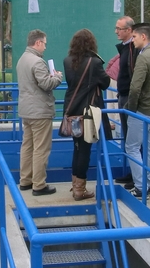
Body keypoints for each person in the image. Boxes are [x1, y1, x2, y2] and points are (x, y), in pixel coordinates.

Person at [63, 29, 110, 201]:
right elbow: (105, 83)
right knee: (84, 150)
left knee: (76, 148)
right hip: (87, 113)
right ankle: (79, 190)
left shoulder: (67, 61)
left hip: (71, 111)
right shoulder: (95, 62)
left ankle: (75, 183)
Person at [16, 29, 62, 196]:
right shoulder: (37, 62)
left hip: (26, 111)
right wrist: (57, 77)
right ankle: (39, 184)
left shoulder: (22, 59)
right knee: (41, 149)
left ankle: (25, 180)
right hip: (40, 111)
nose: (45, 47)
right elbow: (46, 84)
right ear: (38, 43)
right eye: (44, 44)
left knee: (27, 146)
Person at [125, 23, 150, 199]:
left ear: (143, 37)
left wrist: (131, 109)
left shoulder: (144, 57)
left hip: (141, 110)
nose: (132, 40)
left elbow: (135, 88)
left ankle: (141, 187)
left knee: (132, 147)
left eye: (134, 37)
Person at [113, 16, 137, 186]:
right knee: (128, 137)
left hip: (129, 98)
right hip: (123, 95)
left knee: (134, 139)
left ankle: (137, 177)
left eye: (119, 28)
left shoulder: (133, 49)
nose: (116, 32)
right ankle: (131, 172)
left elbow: (134, 76)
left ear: (129, 30)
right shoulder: (125, 49)